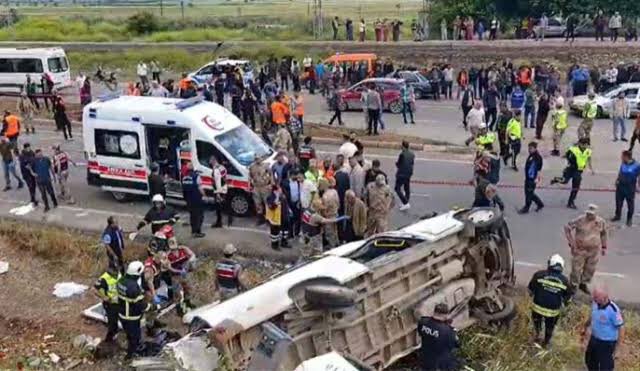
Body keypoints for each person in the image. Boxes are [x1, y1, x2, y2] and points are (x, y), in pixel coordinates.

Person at [528, 254, 573, 347]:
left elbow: (530, 290)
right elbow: (568, 298)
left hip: (537, 308)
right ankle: (546, 342)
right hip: (553, 312)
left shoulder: (539, 275)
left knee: (537, 323)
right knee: (550, 327)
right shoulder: (564, 281)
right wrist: (566, 305)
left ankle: (537, 336)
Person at [565, 204, 607, 293]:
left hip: (593, 250)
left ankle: (583, 284)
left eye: (592, 214)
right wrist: (571, 243)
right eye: (588, 213)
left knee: (590, 269)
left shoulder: (600, 222)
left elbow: (603, 234)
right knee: (576, 269)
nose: (589, 215)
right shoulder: (580, 220)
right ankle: (573, 285)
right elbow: (567, 228)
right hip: (580, 250)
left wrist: (604, 246)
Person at [582, 286, 625, 371]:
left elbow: (621, 328)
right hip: (594, 339)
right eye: (593, 296)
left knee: (605, 367)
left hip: (606, 344)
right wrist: (586, 326)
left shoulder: (613, 310)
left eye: (596, 297)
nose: (593, 298)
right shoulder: (595, 303)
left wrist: (618, 349)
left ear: (605, 298)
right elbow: (593, 316)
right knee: (589, 361)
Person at [117, 261, 149, 359]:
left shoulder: (121, 281)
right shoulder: (134, 288)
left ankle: (132, 349)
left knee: (129, 334)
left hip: (122, 313)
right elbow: (140, 305)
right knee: (135, 337)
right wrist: (152, 307)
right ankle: (130, 356)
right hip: (131, 317)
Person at [551, 139, 594, 209]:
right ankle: (556, 179)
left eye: (586, 144)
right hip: (570, 169)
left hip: (579, 171)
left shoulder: (588, 151)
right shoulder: (573, 150)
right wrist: (567, 159)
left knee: (576, 186)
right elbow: (567, 154)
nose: (585, 146)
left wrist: (591, 168)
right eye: (583, 144)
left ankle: (571, 202)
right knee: (564, 181)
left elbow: (589, 159)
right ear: (580, 144)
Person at [417, 303, 460, 371]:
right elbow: (456, 344)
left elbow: (421, 333)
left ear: (434, 312)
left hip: (425, 360)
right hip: (440, 364)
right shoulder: (448, 331)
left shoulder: (422, 322)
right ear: (445, 315)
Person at [612, 150, 640, 226]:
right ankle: (617, 215)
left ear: (626, 157)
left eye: (622, 156)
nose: (621, 157)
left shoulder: (637, 165)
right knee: (618, 202)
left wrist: (638, 186)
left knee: (630, 204)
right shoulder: (623, 164)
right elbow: (620, 172)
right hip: (620, 187)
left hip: (630, 188)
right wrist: (617, 180)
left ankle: (629, 219)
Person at [93, 265, 120, 343]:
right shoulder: (104, 278)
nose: (116, 273)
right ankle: (109, 339)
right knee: (112, 322)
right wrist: (104, 297)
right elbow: (95, 290)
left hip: (119, 302)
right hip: (110, 304)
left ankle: (116, 333)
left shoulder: (119, 275)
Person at [181, 161, 206, 238]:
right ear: (192, 168)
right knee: (199, 216)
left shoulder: (184, 177)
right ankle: (197, 232)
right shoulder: (196, 176)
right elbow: (200, 188)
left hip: (189, 200)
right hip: (197, 200)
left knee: (192, 216)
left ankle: (193, 231)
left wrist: (185, 199)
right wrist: (204, 195)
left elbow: (184, 190)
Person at [519, 142, 544, 213]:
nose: (529, 150)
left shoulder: (537, 157)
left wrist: (537, 178)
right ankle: (540, 204)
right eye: (529, 148)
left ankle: (526, 208)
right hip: (528, 177)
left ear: (535, 148)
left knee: (528, 193)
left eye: (531, 148)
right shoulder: (531, 155)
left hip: (532, 178)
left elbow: (538, 169)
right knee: (530, 193)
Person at [249, 155, 273, 225]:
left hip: (265, 187)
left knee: (267, 203)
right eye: (256, 159)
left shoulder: (266, 166)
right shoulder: (252, 167)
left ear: (262, 158)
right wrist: (251, 184)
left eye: (259, 158)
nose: (257, 160)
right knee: (257, 204)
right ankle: (260, 218)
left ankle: (269, 219)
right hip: (256, 187)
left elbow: (271, 175)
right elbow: (250, 176)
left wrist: (271, 184)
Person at [210, 156, 233, 228]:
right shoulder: (222, 167)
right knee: (225, 205)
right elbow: (224, 178)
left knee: (219, 207)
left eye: (210, 160)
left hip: (219, 190)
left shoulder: (216, 169)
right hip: (224, 188)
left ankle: (219, 223)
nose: (209, 161)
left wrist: (218, 193)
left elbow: (217, 182)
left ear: (214, 160)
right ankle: (230, 219)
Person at [266, 185, 288, 250]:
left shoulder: (282, 196)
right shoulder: (270, 197)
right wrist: (276, 200)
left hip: (283, 217)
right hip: (274, 219)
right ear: (275, 191)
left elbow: (285, 205)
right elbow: (271, 207)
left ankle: (284, 243)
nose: (281, 190)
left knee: (284, 231)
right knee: (275, 233)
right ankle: (274, 245)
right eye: (279, 189)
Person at [395, 140, 415, 211]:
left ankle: (406, 203)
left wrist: (396, 164)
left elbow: (399, 165)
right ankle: (405, 202)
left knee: (397, 189)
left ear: (403, 146)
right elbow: (412, 163)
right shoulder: (412, 154)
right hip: (409, 173)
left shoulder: (402, 154)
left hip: (401, 174)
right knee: (407, 188)